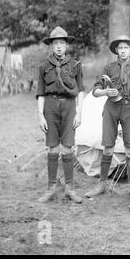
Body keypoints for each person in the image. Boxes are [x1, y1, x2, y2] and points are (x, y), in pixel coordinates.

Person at [85, 35, 130, 197]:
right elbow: (95, 91)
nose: (123, 51)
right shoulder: (109, 68)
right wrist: (106, 92)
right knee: (108, 148)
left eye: (126, 48)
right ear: (116, 51)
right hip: (111, 108)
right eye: (120, 48)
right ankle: (102, 185)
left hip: (129, 110)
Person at [36, 26, 84, 204]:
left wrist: (79, 113)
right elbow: (40, 92)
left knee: (68, 148)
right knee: (52, 148)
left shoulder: (76, 65)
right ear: (51, 46)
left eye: (61, 43)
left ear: (66, 45)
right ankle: (51, 189)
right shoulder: (44, 66)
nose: (58, 47)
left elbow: (80, 91)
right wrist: (40, 115)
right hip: (50, 106)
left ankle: (70, 189)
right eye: (55, 43)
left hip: (69, 107)